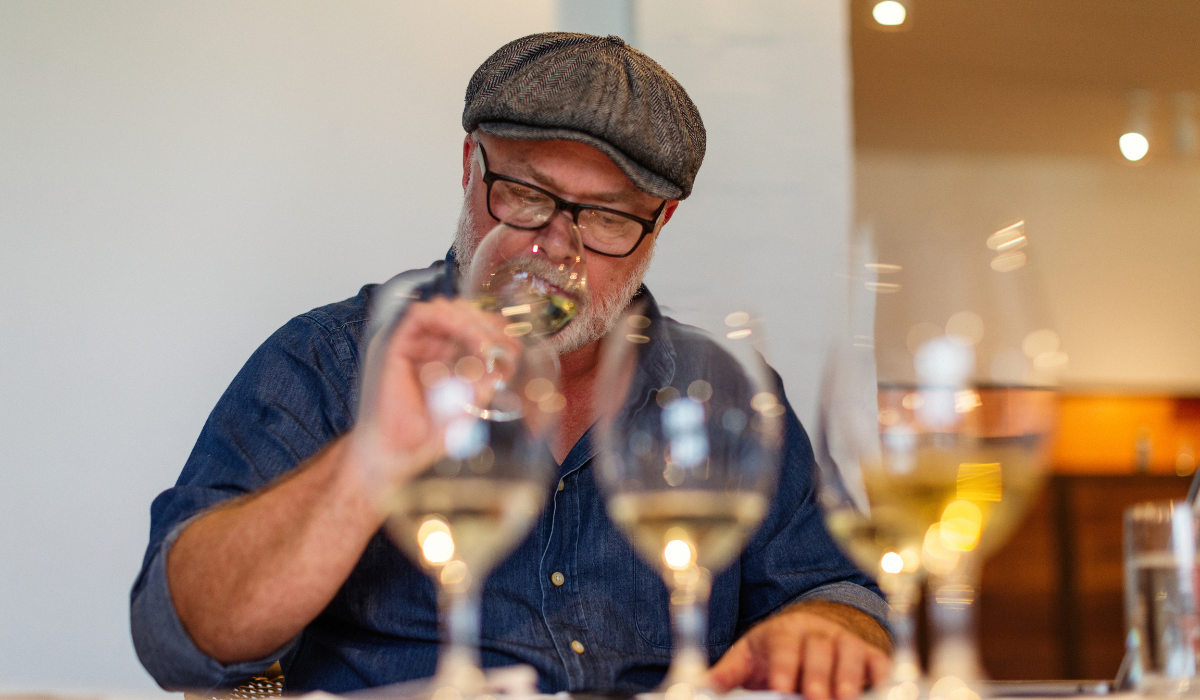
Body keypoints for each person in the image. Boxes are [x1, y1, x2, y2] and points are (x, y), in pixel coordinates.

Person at [130, 32, 892, 698]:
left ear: (661, 223)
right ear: (470, 166)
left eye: (604, 215)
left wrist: (828, 627)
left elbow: (840, 586)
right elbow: (181, 639)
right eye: (527, 194)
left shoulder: (720, 385)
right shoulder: (330, 359)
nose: (554, 246)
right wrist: (370, 458)